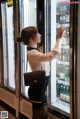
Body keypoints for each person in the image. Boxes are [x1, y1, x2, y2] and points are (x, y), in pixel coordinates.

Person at [16, 26, 64, 119]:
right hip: (37, 90)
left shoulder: (34, 51)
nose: (40, 35)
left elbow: (42, 63)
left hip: (40, 90)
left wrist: (40, 52)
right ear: (31, 38)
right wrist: (59, 38)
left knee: (44, 116)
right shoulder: (32, 53)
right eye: (37, 33)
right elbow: (52, 55)